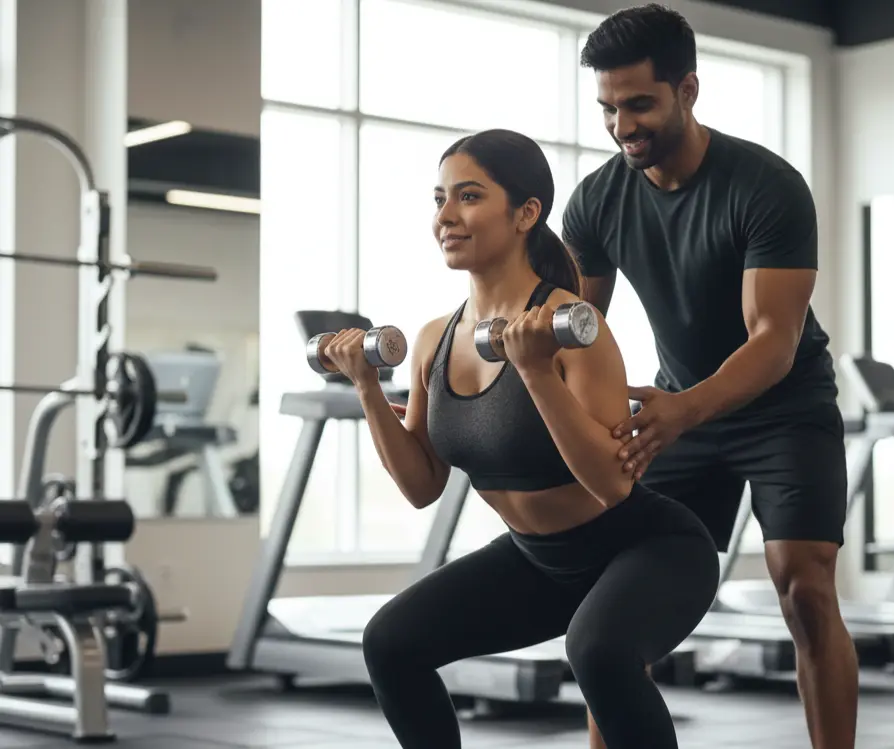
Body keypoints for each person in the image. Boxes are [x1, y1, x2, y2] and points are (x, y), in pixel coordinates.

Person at [321, 128, 720, 749]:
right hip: (540, 562)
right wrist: (367, 387)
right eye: (439, 199)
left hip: (650, 549)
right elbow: (422, 487)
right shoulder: (434, 340)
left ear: (526, 213)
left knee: (599, 652)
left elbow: (612, 484)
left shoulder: (573, 328)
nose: (445, 216)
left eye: (468, 196)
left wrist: (535, 371)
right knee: (392, 642)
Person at [563, 6, 857, 749]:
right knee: (618, 612)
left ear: (687, 90)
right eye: (608, 108)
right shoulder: (596, 201)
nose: (622, 125)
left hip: (784, 409)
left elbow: (774, 341)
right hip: (680, 409)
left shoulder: (765, 186)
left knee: (804, 586)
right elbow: (575, 330)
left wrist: (682, 410)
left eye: (638, 104)